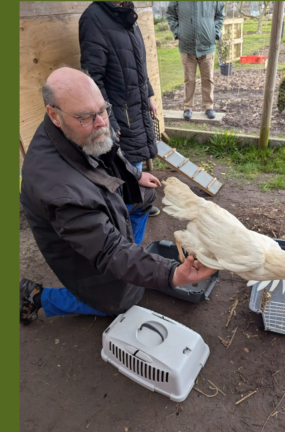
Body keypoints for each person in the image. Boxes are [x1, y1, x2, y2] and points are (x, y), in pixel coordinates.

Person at [19, 67, 217, 324]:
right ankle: (37, 297)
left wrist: (134, 176)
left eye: (102, 109)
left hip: (91, 202)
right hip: (74, 242)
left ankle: (132, 258)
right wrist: (172, 275)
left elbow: (108, 148)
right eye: (87, 117)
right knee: (119, 299)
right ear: (54, 115)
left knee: (143, 194)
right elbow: (109, 250)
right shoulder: (60, 191)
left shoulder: (84, 126)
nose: (101, 122)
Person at [79, 1, 161, 220]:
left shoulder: (125, 13)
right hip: (120, 116)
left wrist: (148, 95)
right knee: (128, 182)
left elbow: (138, 63)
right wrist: (108, 120)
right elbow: (92, 77)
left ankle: (138, 205)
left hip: (136, 108)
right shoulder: (94, 18)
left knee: (136, 174)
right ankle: (130, 243)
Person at [166, 1, 225, 120]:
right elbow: (170, 14)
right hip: (187, 46)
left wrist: (215, 32)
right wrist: (178, 32)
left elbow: (220, 15)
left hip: (207, 45)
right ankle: (188, 107)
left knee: (208, 79)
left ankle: (209, 107)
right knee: (189, 79)